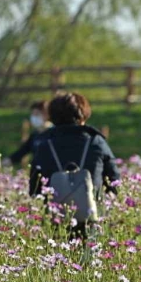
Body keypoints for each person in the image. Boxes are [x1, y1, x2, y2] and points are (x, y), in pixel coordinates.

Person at [29, 93, 119, 237]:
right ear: (83, 114)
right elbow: (114, 180)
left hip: (56, 218)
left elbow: (34, 187)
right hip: (92, 217)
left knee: (56, 257)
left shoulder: (44, 144)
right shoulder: (96, 141)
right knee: (90, 255)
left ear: (52, 116)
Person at [9, 100, 52, 165]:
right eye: (32, 114)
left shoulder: (54, 133)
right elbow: (20, 153)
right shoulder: (34, 135)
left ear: (46, 115)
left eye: (37, 114)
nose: (34, 117)